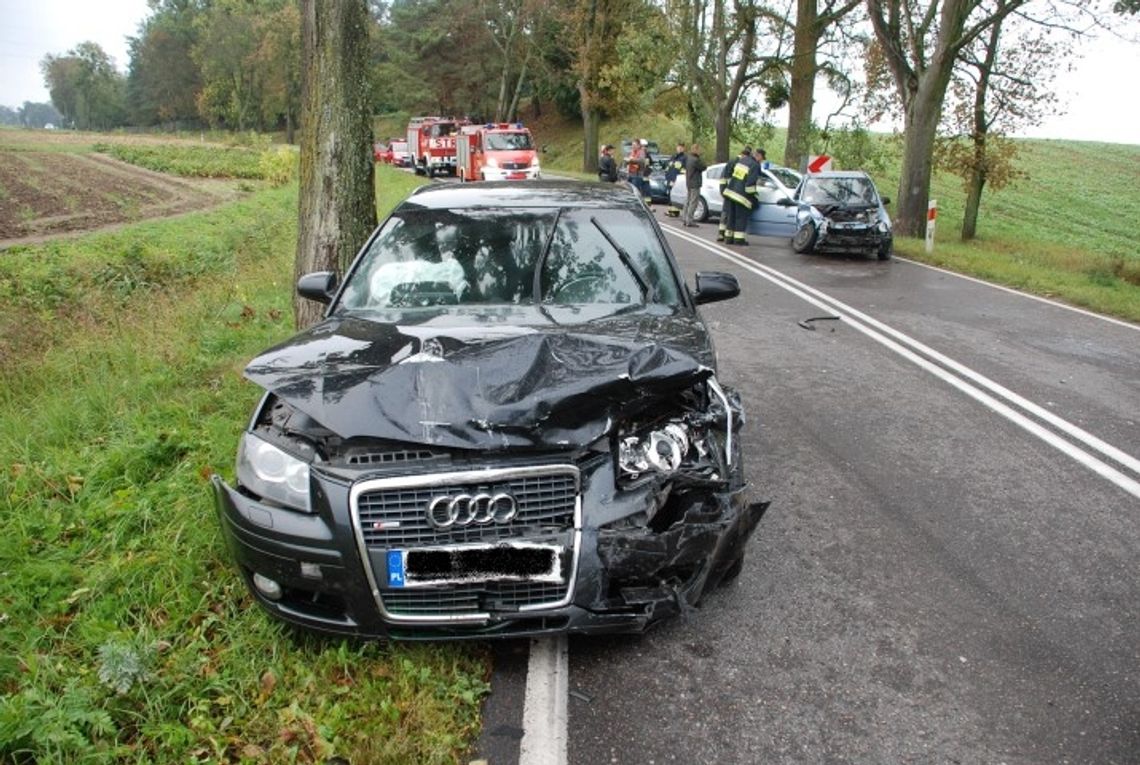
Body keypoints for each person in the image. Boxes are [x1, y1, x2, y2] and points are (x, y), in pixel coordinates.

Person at [720, 146, 760, 245]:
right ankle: (738, 239)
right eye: (762, 159)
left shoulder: (742, 161)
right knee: (740, 218)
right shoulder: (754, 165)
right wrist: (754, 197)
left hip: (731, 193)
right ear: (758, 156)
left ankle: (728, 238)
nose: (761, 162)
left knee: (731, 217)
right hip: (741, 196)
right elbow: (750, 184)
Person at [681, 143, 707, 227]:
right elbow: (704, 167)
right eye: (699, 150)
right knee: (693, 202)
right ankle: (690, 220)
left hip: (688, 182)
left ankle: (684, 218)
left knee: (688, 201)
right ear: (695, 150)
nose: (700, 151)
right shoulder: (696, 160)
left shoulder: (688, 158)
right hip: (695, 183)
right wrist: (699, 157)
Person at [626, 139, 650, 204]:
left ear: (638, 145)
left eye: (634, 145)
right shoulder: (632, 151)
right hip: (631, 173)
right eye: (632, 145)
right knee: (630, 190)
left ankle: (635, 203)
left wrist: (631, 160)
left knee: (635, 190)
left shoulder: (641, 152)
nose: (632, 146)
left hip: (637, 174)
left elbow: (641, 161)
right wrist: (627, 160)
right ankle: (630, 203)